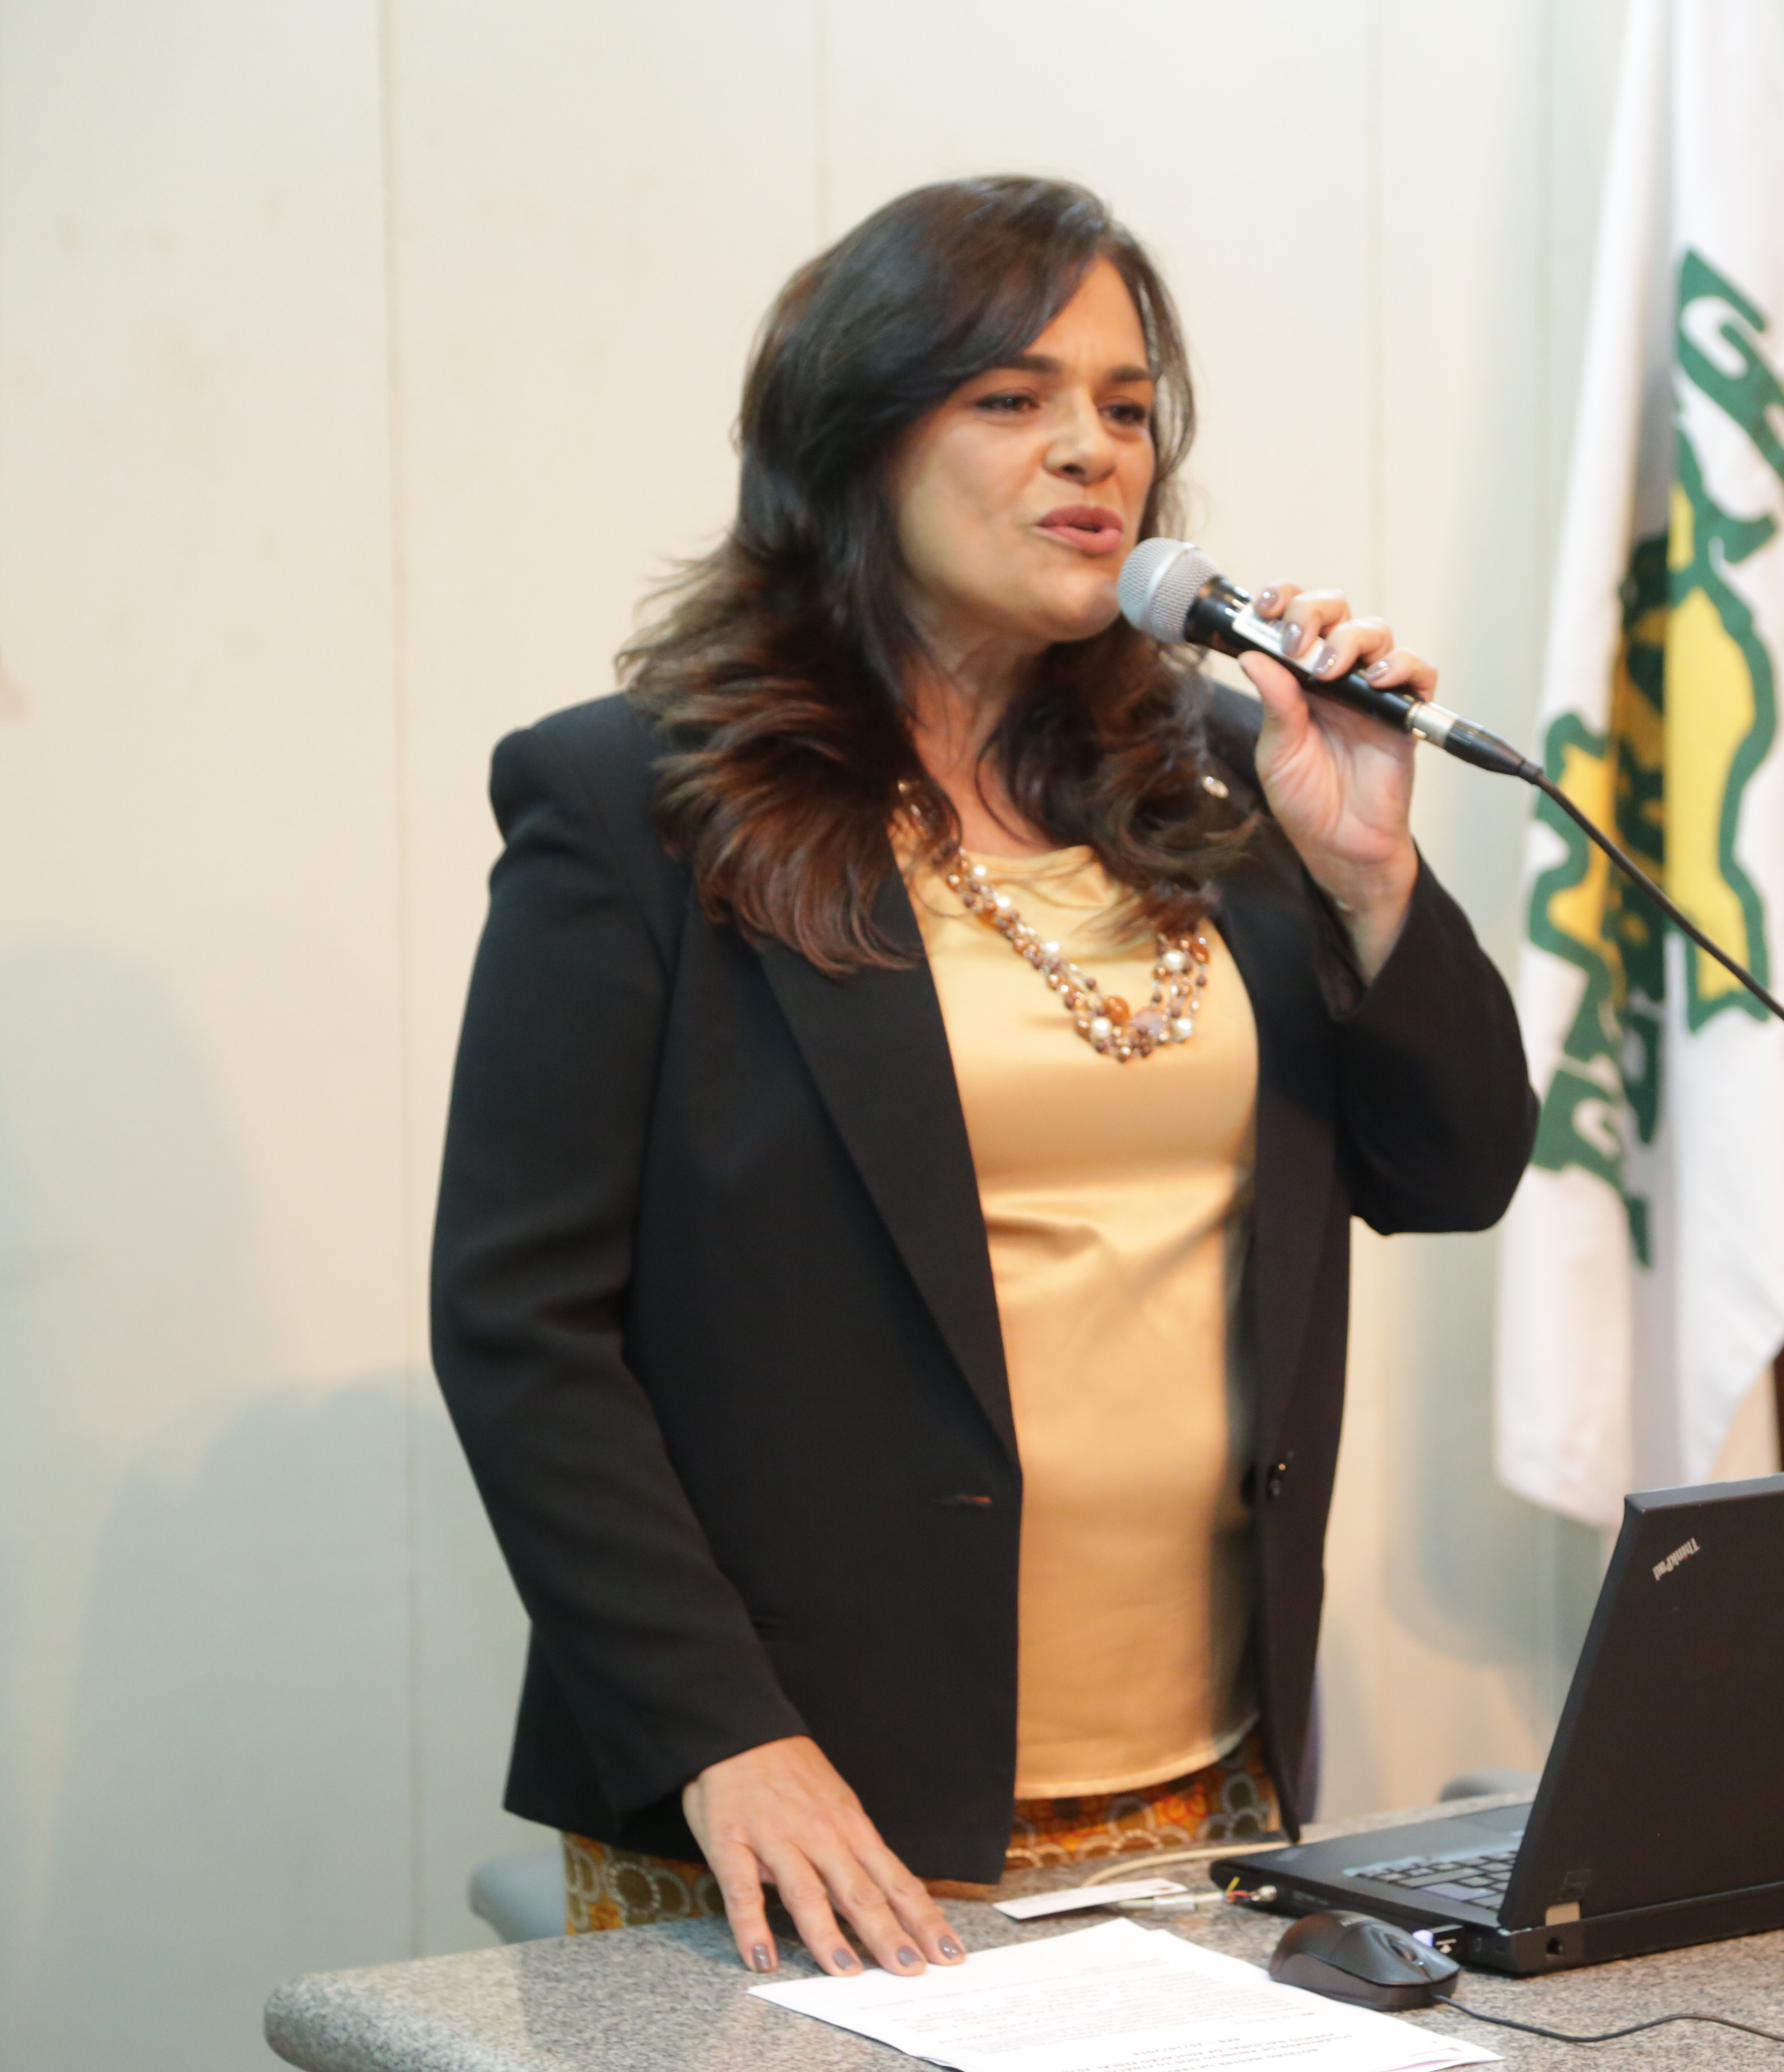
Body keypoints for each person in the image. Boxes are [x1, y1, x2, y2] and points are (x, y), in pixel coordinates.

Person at [430, 175, 1536, 1983]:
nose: (1091, 451)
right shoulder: (637, 807)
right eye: (1011, 399)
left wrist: (1372, 877)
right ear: (854, 444)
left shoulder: (1228, 773)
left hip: (1205, 1769)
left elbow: (1454, 1170)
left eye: (1125, 406)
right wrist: (725, 1736)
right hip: (810, 1802)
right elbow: (520, 1325)